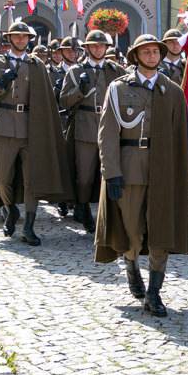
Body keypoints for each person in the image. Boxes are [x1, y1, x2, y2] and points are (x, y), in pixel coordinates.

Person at [95, 34, 188, 317]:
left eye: (155, 52)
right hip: (130, 167)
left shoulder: (172, 91)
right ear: (135, 56)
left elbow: (179, 137)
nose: (151, 56)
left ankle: (154, 293)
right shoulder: (118, 88)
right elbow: (108, 133)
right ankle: (131, 263)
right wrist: (111, 172)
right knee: (133, 230)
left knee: (160, 230)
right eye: (146, 52)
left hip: (162, 170)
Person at [0, 21, 73, 244]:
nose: (20, 40)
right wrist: (0, 84)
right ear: (9, 39)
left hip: (32, 127)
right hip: (5, 126)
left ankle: (29, 225)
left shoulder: (36, 65)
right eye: (16, 36)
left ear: (29, 40)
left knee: (32, 179)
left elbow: (46, 100)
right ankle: (10, 208)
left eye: (24, 37)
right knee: (3, 177)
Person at [60, 30, 127, 233]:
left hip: (111, 127)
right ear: (87, 48)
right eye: (94, 46)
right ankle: (83, 208)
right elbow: (64, 100)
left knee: (110, 171)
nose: (98, 49)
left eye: (101, 46)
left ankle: (108, 213)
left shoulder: (116, 70)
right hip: (85, 126)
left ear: (106, 48)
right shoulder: (75, 71)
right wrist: (80, 89)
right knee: (85, 175)